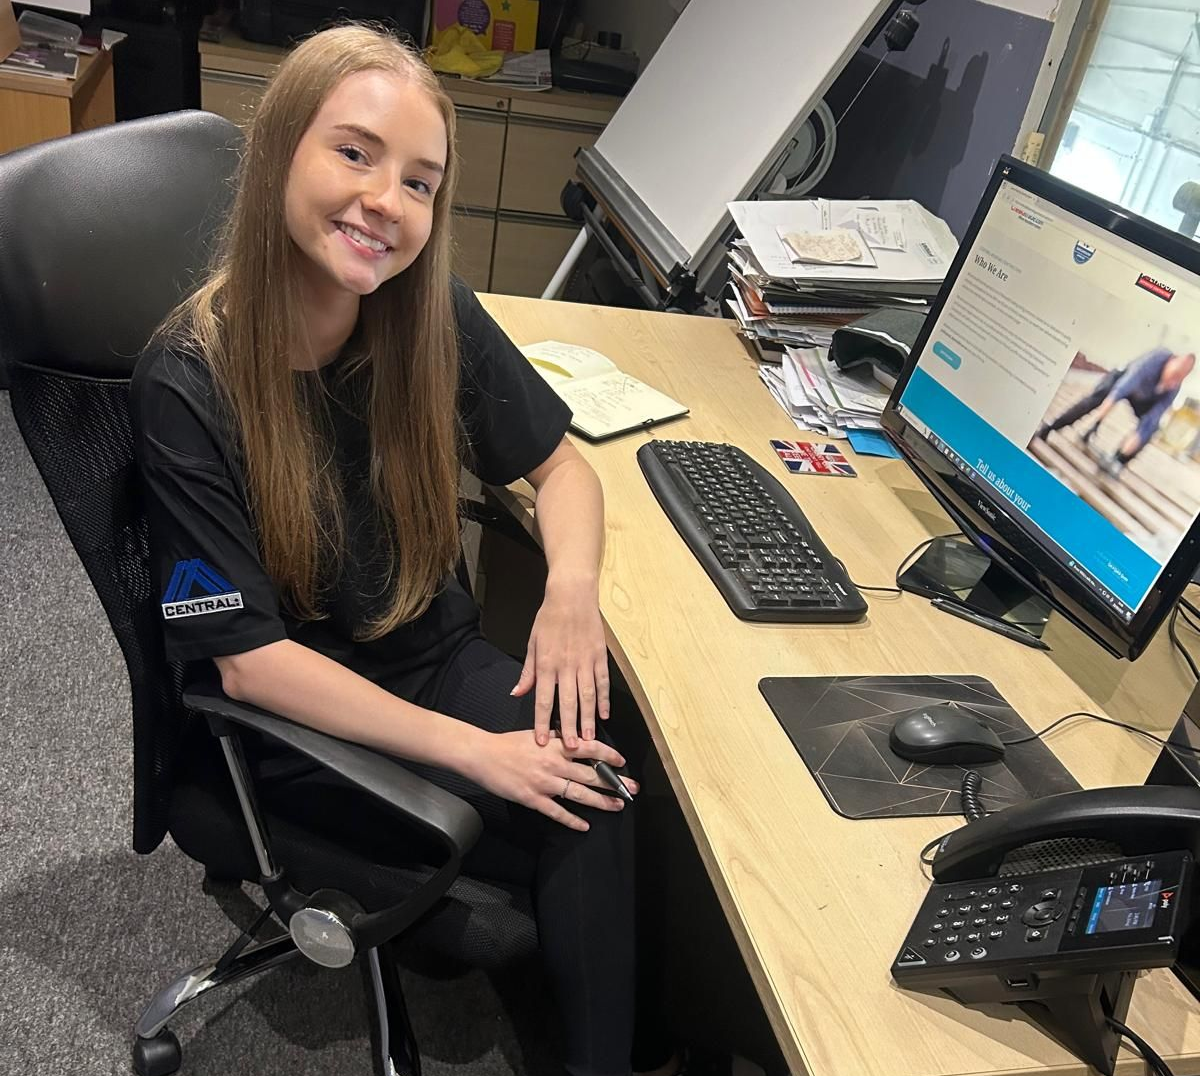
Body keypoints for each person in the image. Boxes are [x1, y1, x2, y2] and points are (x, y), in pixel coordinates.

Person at [131, 25, 679, 1076]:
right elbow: (249, 661)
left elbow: (564, 469)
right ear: (279, 150)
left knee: (602, 763)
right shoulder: (187, 382)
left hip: (431, 654)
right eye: (355, 153)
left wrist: (571, 589)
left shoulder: (425, 319)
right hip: (295, 721)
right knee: (564, 798)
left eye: (420, 182)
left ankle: (620, 1042)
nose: (388, 201)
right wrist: (478, 751)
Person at [1036, 346, 1196, 474]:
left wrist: (1129, 447)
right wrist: (1096, 421)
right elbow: (1123, 388)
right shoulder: (1157, 357)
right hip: (1121, 381)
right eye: (1174, 375)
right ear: (1172, 361)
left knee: (1152, 428)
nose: (1173, 381)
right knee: (1094, 399)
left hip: (1142, 400)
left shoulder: (1173, 389)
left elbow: (1152, 419)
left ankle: (1116, 461)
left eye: (1178, 379)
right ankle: (1050, 428)